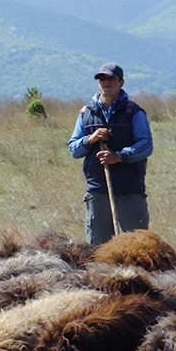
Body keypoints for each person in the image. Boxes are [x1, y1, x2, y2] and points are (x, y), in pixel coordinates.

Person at [68, 62, 153, 245]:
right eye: (102, 79)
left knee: (137, 247)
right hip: (98, 191)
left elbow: (146, 145)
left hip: (129, 190)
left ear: (121, 82)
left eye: (111, 79)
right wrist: (90, 139)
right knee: (98, 250)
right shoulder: (86, 113)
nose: (106, 82)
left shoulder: (133, 112)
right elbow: (74, 149)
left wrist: (119, 156)